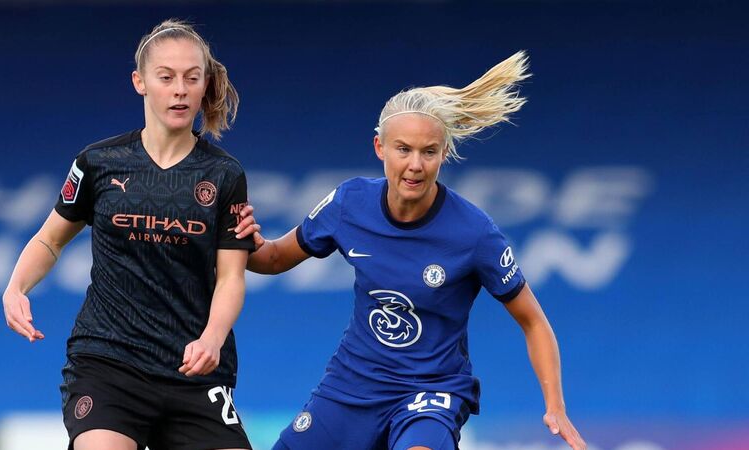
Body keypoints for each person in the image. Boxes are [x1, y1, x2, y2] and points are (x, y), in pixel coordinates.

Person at [245, 51, 586, 450]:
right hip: (353, 385)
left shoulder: (475, 232)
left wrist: (555, 406)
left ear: (444, 154)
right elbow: (272, 258)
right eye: (403, 149)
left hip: (430, 391)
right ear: (380, 147)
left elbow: (534, 322)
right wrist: (235, 239)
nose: (415, 165)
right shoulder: (348, 203)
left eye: (429, 151)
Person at [2, 19, 260, 450]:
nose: (180, 90)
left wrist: (212, 339)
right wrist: (16, 287)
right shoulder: (98, 162)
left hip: (193, 371)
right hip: (108, 364)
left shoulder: (225, 174)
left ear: (205, 84)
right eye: (166, 77)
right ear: (140, 82)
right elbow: (50, 239)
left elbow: (232, 276)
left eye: (191, 78)